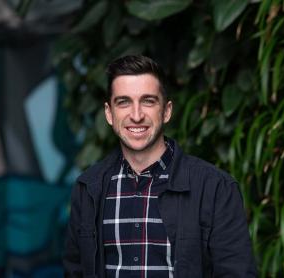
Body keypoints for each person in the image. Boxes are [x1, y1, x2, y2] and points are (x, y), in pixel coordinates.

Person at [63, 55, 256, 277]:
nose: (136, 116)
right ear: (109, 113)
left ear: (166, 111)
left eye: (148, 101)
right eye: (124, 102)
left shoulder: (215, 188)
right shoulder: (88, 188)